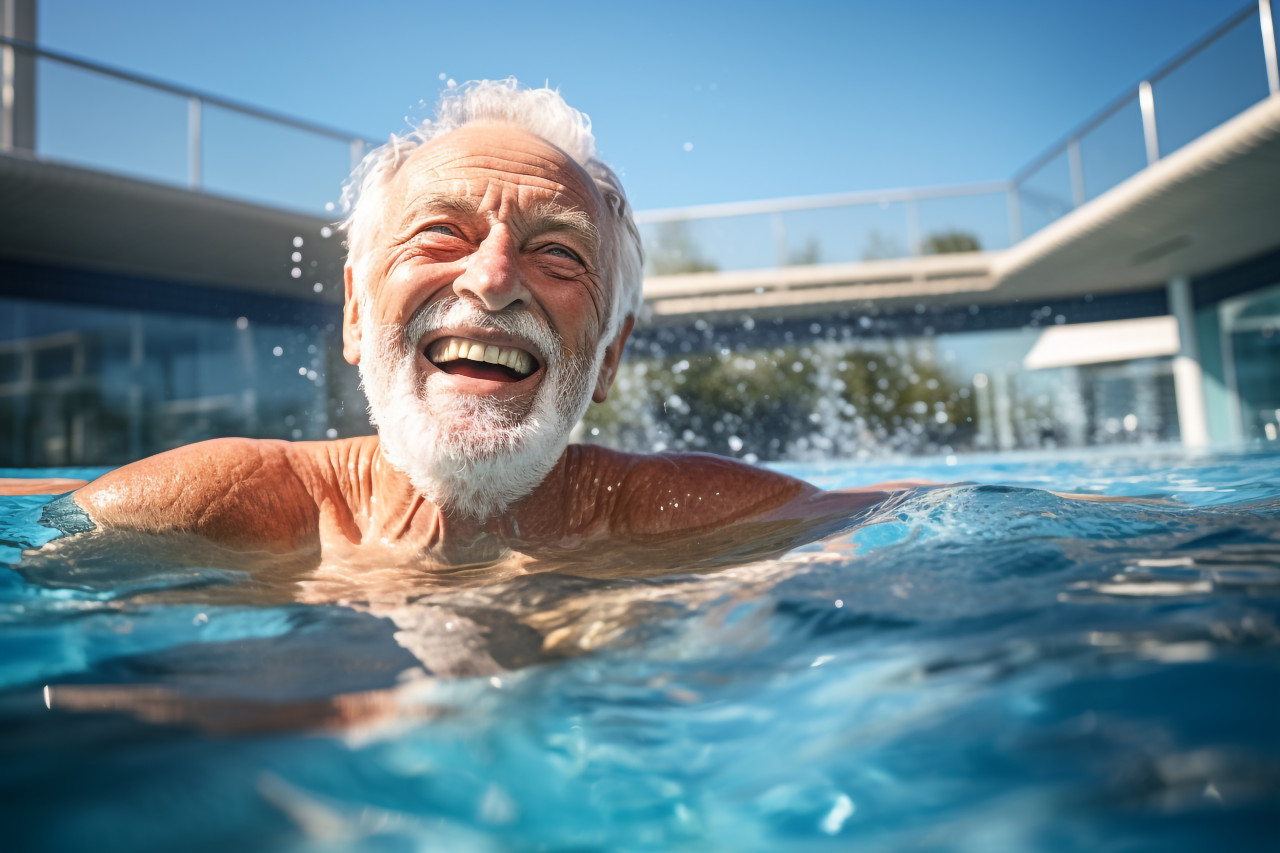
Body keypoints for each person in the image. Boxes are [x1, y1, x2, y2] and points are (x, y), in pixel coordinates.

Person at [2, 80, 918, 581]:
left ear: (608, 356)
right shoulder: (222, 508)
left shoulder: (686, 521)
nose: (494, 277)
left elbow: (945, 510)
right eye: (444, 231)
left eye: (559, 255)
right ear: (357, 313)